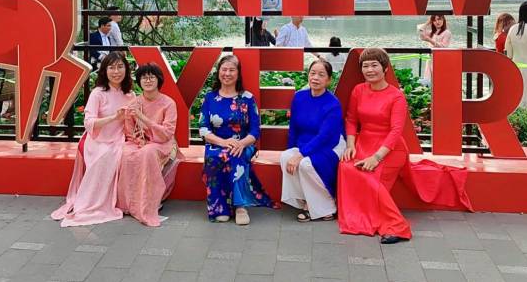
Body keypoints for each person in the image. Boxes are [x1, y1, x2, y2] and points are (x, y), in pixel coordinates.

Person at [338, 48, 472, 244]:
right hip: (364, 143)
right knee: (346, 167)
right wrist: (350, 144)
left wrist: (376, 158)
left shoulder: (396, 96)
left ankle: (397, 226)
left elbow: (395, 131)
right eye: (365, 66)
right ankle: (359, 216)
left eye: (374, 65)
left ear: (385, 68)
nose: (369, 70)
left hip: (390, 149)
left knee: (370, 177)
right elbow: (351, 119)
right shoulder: (358, 90)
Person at [51, 52, 134, 227]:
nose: (116, 71)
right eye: (111, 67)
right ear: (105, 71)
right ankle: (91, 204)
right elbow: (89, 124)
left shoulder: (130, 95)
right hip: (97, 140)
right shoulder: (98, 93)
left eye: (120, 67)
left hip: (119, 139)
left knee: (128, 155)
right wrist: (113, 117)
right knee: (105, 156)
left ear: (126, 69)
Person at [199, 54, 274, 224]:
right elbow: (203, 129)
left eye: (232, 70)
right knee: (215, 156)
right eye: (224, 69)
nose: (227, 73)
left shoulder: (247, 98)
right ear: (218, 73)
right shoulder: (209, 98)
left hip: (243, 143)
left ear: (238, 73)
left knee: (234, 154)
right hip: (217, 143)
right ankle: (220, 207)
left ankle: (240, 206)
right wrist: (223, 142)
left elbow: (255, 130)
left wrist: (240, 143)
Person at [280, 58, 345, 222]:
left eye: (321, 75)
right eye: (313, 73)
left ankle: (326, 206)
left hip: (331, 145)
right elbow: (294, 127)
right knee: (286, 157)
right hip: (306, 143)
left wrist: (301, 154)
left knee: (306, 164)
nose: (315, 78)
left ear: (329, 80)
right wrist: (292, 150)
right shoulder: (299, 98)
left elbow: (326, 136)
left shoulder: (333, 104)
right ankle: (306, 199)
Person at [116, 62, 181, 226]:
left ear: (158, 80)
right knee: (124, 153)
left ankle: (150, 201)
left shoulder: (168, 103)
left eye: (152, 77)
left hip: (163, 142)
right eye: (144, 78)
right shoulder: (134, 102)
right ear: (139, 81)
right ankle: (127, 203)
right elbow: (129, 131)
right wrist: (138, 140)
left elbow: (167, 133)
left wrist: (143, 118)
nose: (148, 81)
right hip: (140, 142)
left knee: (148, 153)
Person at [417, 15, 451, 83]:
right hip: (430, 59)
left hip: (440, 59)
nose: (437, 22)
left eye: (439, 19)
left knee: (438, 80)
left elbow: (443, 47)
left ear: (443, 20)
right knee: (428, 80)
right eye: (434, 20)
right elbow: (420, 34)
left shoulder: (447, 33)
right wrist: (428, 22)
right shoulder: (432, 32)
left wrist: (430, 40)